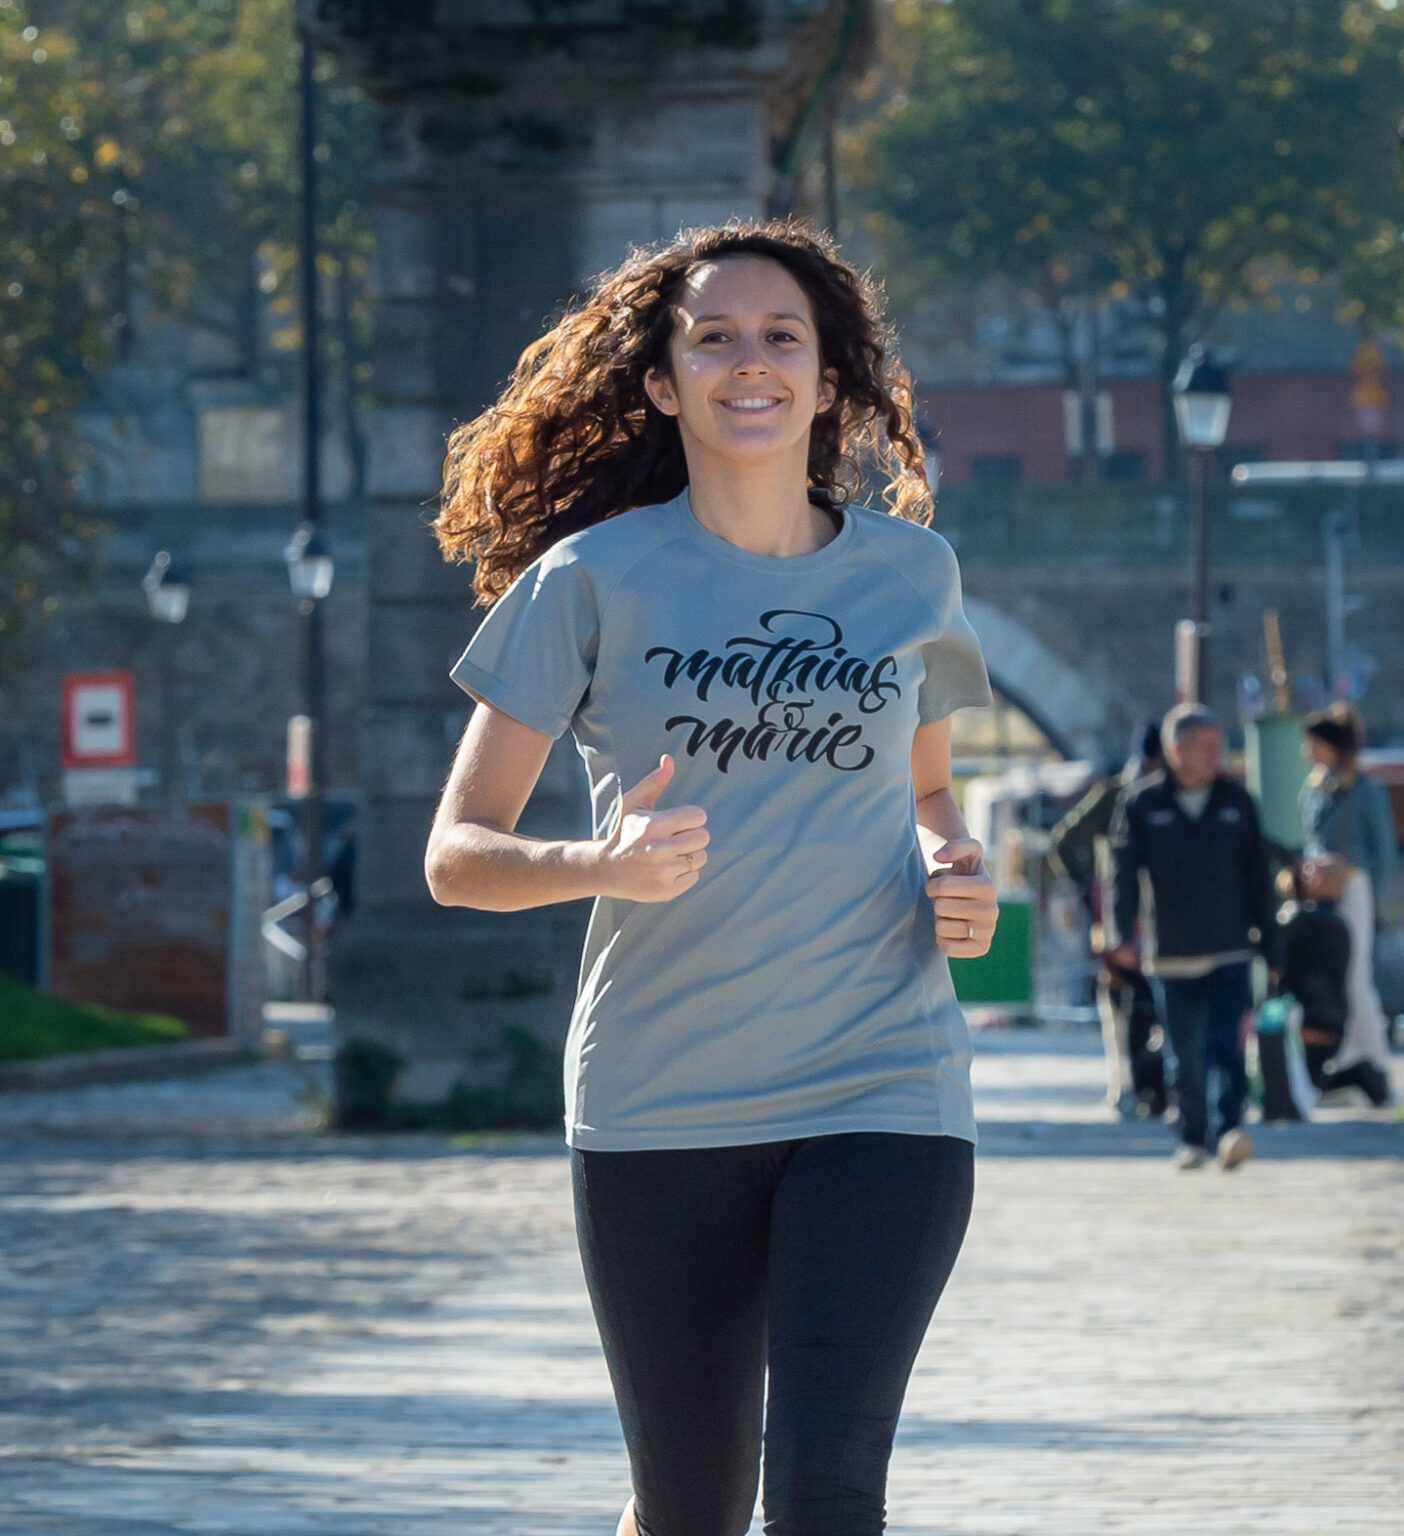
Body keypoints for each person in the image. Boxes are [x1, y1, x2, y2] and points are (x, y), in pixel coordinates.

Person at [423, 221, 998, 1536]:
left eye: (783, 336)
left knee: (828, 1494)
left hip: (883, 1086)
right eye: (715, 337)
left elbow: (926, 795)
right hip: (657, 1102)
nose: (752, 361)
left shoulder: (914, 575)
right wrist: (599, 863)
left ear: (828, 379)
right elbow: (457, 856)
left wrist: (952, 868)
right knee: (689, 1510)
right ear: (662, 383)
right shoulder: (590, 581)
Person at [1106, 703, 1279, 1171]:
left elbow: (1259, 877)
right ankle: (1192, 1138)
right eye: (1204, 746)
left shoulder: (1237, 802)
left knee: (1227, 1047)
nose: (1215, 755)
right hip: (1171, 953)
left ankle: (1229, 1132)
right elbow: (1121, 875)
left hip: (1230, 947)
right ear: (1175, 749)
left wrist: (1271, 945)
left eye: (1218, 746)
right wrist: (1121, 933)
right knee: (1183, 1055)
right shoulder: (1142, 804)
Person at [1050, 720, 1167, 1118]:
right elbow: (1064, 841)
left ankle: (1157, 1087)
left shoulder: (1170, 794)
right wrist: (1092, 888)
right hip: (1121, 916)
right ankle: (1125, 1085)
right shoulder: (1116, 796)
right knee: (1120, 1005)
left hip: (1164, 915)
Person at [1300, 704, 1395, 1102]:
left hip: (1354, 888)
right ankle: (1342, 1063)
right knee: (1328, 981)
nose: (1307, 752)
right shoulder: (1313, 789)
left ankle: (1378, 1064)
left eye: (1314, 744)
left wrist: (1377, 902)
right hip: (1319, 892)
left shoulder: (1366, 791)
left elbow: (1383, 852)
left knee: (1356, 978)